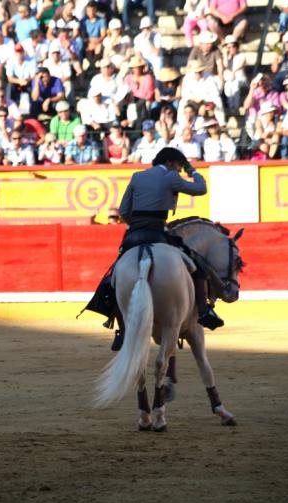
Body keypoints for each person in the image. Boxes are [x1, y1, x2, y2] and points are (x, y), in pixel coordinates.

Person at [83, 147, 223, 351]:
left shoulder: (137, 176)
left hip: (135, 232)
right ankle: (203, 310)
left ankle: (118, 325)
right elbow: (201, 189)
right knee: (197, 265)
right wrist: (191, 170)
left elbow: (123, 210)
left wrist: (137, 224)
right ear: (171, 163)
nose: (178, 169)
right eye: (178, 165)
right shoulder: (171, 177)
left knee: (114, 273)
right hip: (158, 231)